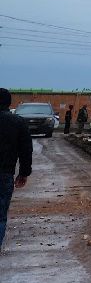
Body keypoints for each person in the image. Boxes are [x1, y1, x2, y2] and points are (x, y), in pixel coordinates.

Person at [0, 88, 34, 254]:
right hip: (4, 175)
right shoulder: (17, 122)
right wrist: (24, 173)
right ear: (9, 103)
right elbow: (26, 150)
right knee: (0, 214)